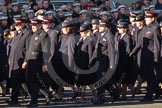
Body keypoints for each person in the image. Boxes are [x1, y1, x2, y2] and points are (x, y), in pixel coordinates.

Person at [130, 12, 161, 102]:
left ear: (152, 19)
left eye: (147, 18)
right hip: (144, 56)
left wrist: (156, 57)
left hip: (151, 56)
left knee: (151, 77)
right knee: (146, 76)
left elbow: (157, 44)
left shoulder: (155, 28)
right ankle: (158, 91)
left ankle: (149, 96)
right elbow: (140, 42)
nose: (145, 19)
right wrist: (133, 52)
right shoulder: (145, 28)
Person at [22, 18, 51, 107]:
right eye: (32, 25)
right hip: (31, 62)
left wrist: (45, 63)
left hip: (38, 62)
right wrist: (25, 61)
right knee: (29, 81)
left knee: (35, 82)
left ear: (39, 25)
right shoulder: (33, 34)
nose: (33, 27)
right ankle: (40, 97)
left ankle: (34, 101)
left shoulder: (44, 35)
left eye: (35, 25)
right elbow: (29, 50)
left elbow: (46, 51)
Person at [7, 18, 32, 105]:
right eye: (16, 25)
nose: (16, 26)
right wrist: (10, 59)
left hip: (22, 62)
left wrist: (26, 61)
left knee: (25, 82)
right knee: (16, 82)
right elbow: (13, 48)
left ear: (22, 25)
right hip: (15, 61)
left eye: (18, 25)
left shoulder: (28, 33)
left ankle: (35, 99)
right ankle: (14, 99)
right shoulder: (17, 34)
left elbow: (29, 49)